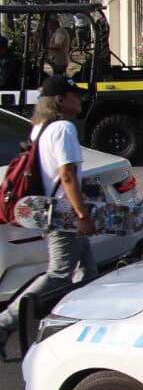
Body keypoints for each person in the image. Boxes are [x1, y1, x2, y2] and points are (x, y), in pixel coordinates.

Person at [0, 76, 97, 352]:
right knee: (58, 274)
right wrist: (82, 214)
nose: (78, 99)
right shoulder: (64, 128)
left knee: (88, 272)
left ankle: (75, 325)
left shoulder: (40, 129)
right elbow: (66, 175)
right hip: (65, 214)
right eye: (73, 95)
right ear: (59, 100)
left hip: (53, 211)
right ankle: (5, 322)